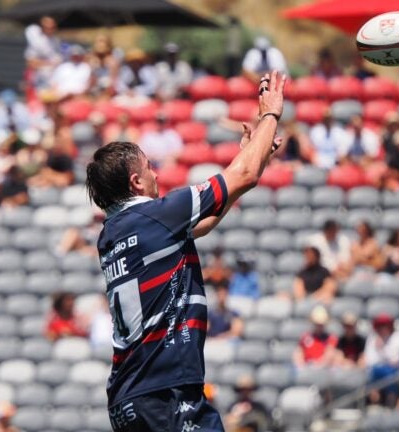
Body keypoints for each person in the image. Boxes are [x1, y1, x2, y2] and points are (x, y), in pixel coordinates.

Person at [85, 70, 286, 431]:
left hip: (129, 397)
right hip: (166, 392)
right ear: (136, 182)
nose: (157, 175)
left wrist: (255, 158)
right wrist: (270, 114)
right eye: (150, 168)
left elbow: (204, 222)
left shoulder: (113, 233)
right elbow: (244, 175)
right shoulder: (158, 215)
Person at [365, 314, 399, 405]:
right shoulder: (373, 338)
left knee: (389, 374)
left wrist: (382, 349)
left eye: (384, 325)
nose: (382, 328)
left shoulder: (398, 337)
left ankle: (391, 401)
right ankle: (374, 402)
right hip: (378, 370)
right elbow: (370, 360)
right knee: (371, 373)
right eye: (380, 326)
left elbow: (396, 361)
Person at [24, 16, 62, 92]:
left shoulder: (56, 41)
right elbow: (30, 62)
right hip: (39, 80)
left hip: (54, 79)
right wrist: (50, 63)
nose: (51, 29)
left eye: (53, 27)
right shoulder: (37, 41)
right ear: (42, 27)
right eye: (48, 27)